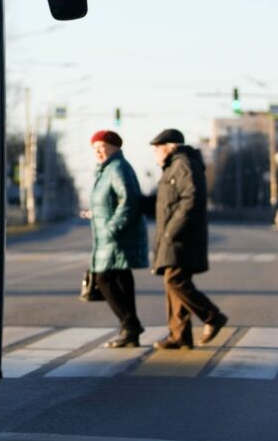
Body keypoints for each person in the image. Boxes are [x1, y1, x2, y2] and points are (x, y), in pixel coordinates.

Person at [148, 128, 227, 350]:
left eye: (157, 149)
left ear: (169, 147)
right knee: (172, 283)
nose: (155, 153)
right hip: (175, 235)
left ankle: (212, 316)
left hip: (182, 236)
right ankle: (179, 335)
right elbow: (166, 203)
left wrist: (172, 230)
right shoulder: (173, 166)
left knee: (175, 281)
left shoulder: (183, 164)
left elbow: (191, 197)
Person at [88, 130, 149, 348]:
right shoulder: (107, 170)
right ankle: (130, 330)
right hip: (110, 235)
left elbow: (130, 200)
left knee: (104, 278)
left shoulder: (118, 168)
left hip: (116, 235)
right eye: (94, 148)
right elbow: (111, 201)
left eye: (101, 147)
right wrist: (93, 213)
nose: (97, 152)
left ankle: (130, 325)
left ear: (114, 147)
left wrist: (112, 227)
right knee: (121, 278)